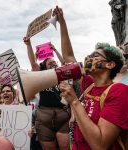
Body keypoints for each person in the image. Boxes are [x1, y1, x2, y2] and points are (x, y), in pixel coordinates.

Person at [53, 6, 128, 150]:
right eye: (89, 55)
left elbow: (99, 145)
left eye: (95, 56)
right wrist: (62, 22)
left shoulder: (119, 91)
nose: (88, 58)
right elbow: (68, 57)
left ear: (110, 64)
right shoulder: (89, 85)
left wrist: (74, 101)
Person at [23, 37, 70, 150]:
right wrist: (29, 45)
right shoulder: (41, 76)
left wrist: (54, 50)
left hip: (62, 116)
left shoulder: (62, 76)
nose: (54, 64)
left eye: (54, 62)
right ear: (44, 67)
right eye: (50, 63)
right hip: (44, 118)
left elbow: (65, 63)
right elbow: (34, 64)